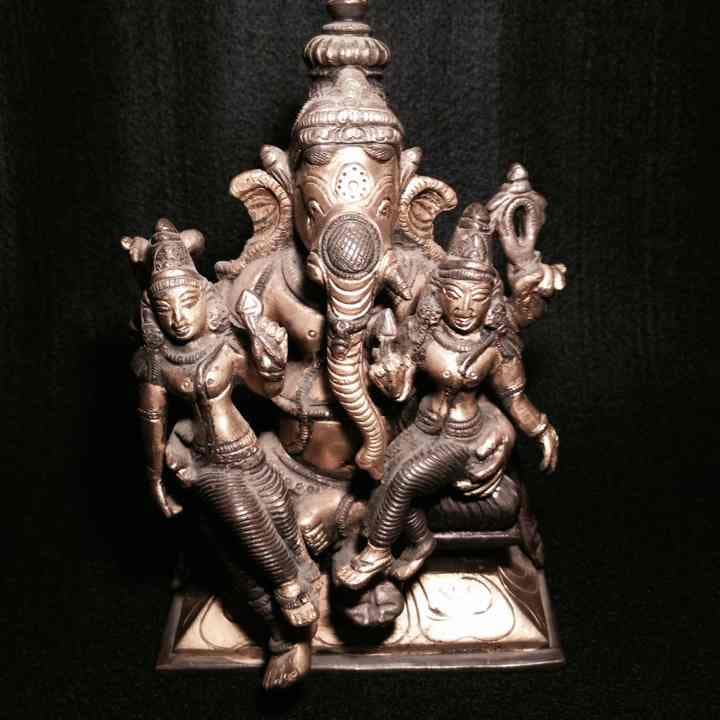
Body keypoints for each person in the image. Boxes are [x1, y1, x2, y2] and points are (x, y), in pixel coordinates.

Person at [123, 219, 319, 688]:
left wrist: (268, 353)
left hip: (246, 449)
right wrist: (154, 477)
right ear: (152, 314)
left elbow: (265, 388)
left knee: (280, 515)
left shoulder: (224, 346)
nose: (178, 317)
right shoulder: (155, 363)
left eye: (187, 302)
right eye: (166, 308)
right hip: (202, 460)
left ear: (205, 300)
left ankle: (302, 587)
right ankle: (288, 599)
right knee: (245, 521)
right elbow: (152, 422)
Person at [336, 204, 560, 589]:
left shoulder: (496, 347)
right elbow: (401, 387)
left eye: (477, 298)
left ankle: (376, 551)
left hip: (464, 436)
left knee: (406, 479)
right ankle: (421, 542)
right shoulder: (423, 335)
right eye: (455, 295)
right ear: (438, 295)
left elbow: (514, 399)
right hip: (423, 425)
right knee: (381, 474)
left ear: (491, 300)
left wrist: (541, 430)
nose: (464, 308)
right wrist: (390, 379)